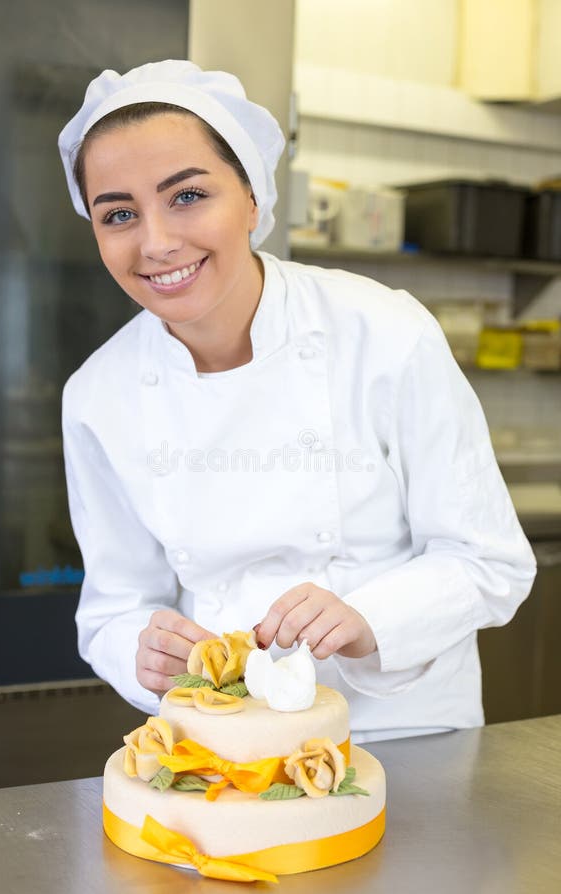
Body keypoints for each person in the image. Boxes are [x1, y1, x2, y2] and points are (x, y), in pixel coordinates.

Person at [58, 60, 536, 743]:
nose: (157, 241)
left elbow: (490, 562)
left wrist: (371, 617)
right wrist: (143, 651)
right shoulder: (97, 395)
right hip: (225, 743)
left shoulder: (384, 331)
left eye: (188, 195)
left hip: (405, 738)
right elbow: (114, 610)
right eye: (119, 214)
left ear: (252, 198)